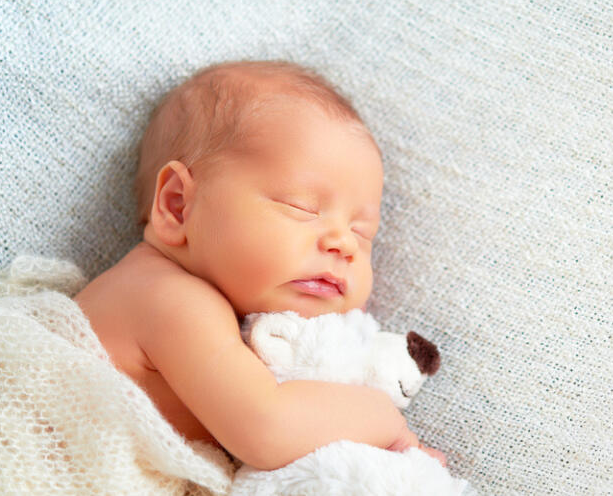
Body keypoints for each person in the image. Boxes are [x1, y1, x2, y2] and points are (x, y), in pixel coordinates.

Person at [73, 60, 445, 470]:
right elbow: (267, 429)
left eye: (362, 232)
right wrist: (385, 420)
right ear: (178, 206)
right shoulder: (164, 297)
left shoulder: (233, 328)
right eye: (301, 207)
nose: (343, 244)